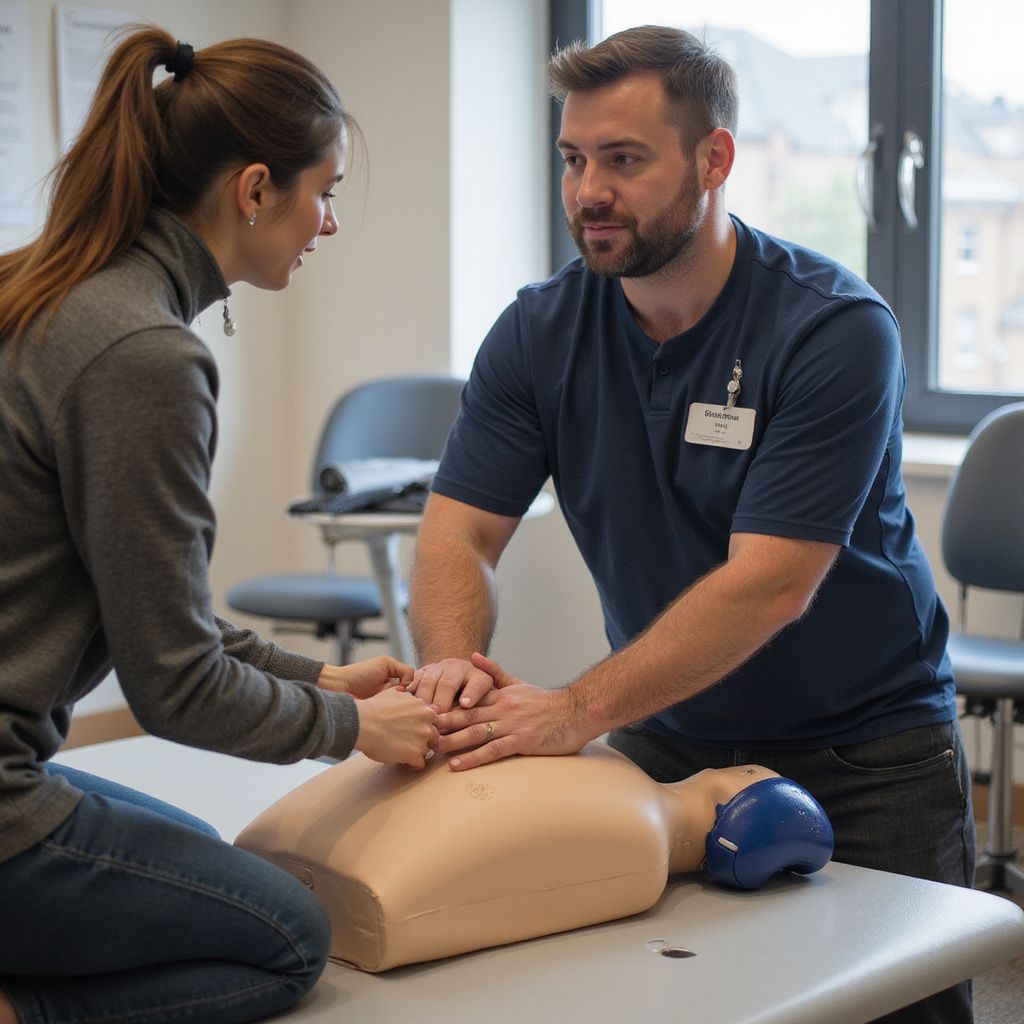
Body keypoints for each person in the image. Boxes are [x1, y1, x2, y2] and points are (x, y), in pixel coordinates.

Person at [406, 25, 974, 1024]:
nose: (588, 191)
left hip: (864, 757)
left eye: (623, 160)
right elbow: (456, 536)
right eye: (574, 159)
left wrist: (576, 711)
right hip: (667, 751)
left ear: (712, 160)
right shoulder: (537, 333)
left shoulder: (832, 329)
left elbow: (771, 583)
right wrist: (453, 665)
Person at [0, 27, 438, 1024]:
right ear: (252, 191)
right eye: (322, 191)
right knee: (286, 936)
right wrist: (357, 727)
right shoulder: (143, 354)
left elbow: (163, 621)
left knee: (217, 861)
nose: (327, 223)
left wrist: (325, 678)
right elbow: (175, 686)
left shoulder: (51, 292)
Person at [234, 744, 834, 971]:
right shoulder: (632, 827)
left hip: (268, 856)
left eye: (749, 771)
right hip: (327, 896)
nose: (739, 762)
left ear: (734, 802)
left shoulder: (631, 825)